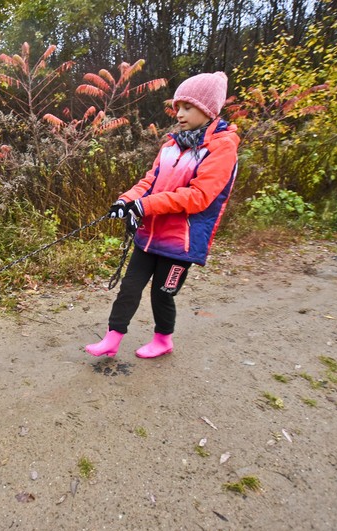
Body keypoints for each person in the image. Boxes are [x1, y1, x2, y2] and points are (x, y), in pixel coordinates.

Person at [86, 71, 239, 359]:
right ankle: (112, 338)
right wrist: (127, 200)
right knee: (129, 287)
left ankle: (163, 339)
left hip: (181, 243)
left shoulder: (222, 148)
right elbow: (149, 182)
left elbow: (199, 197)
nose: (178, 113)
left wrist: (146, 206)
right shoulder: (171, 145)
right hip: (150, 234)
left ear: (207, 109)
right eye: (177, 106)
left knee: (162, 293)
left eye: (187, 107)